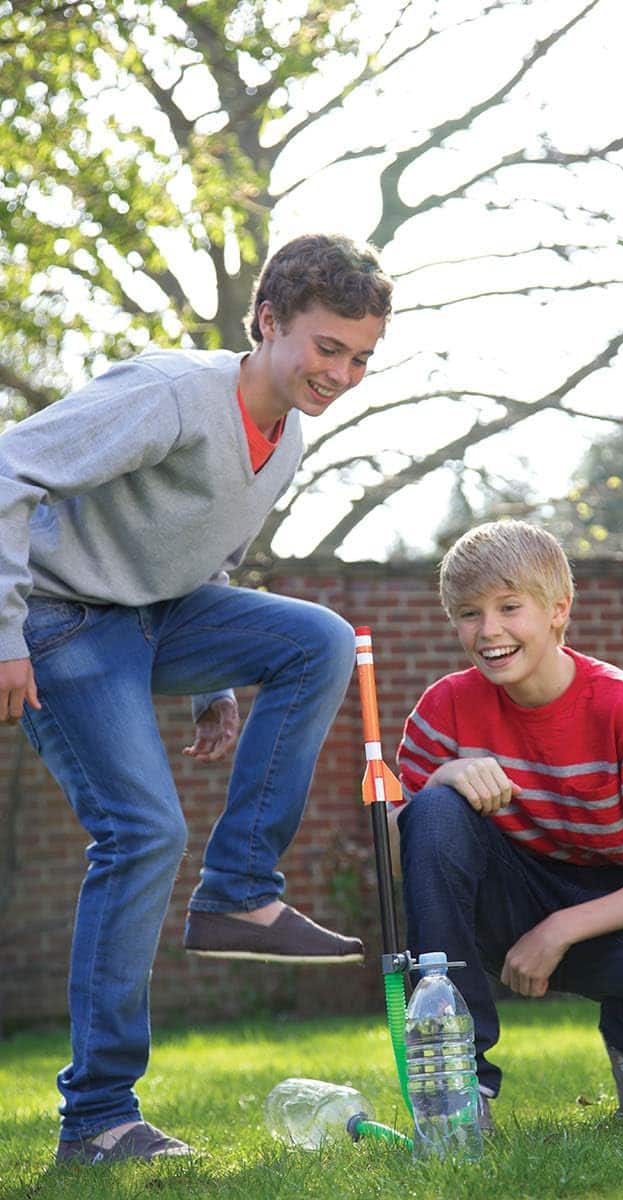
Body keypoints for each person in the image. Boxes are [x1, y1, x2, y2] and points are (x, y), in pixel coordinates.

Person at [0, 233, 393, 1165]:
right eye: (327, 348)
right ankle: (98, 1120)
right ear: (268, 323)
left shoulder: (288, 437)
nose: (341, 372)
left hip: (152, 615)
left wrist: (212, 677)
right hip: (61, 618)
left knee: (319, 639)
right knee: (144, 833)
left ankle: (241, 894)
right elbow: (9, 465)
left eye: (361, 357)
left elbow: (198, 556)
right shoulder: (173, 393)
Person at [391, 519, 623, 1128]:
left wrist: (560, 928)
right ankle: (462, 1088)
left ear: (558, 609)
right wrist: (437, 784)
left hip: (611, 910)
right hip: (498, 905)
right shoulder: (444, 708)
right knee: (431, 809)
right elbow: (399, 864)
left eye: (510, 607)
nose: (488, 631)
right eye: (468, 613)